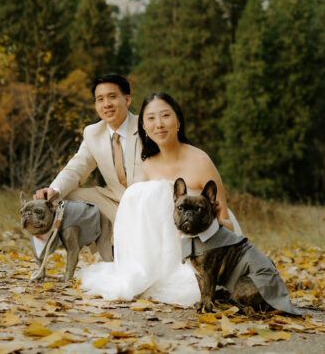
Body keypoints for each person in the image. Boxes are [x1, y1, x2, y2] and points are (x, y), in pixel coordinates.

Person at [77, 92, 240, 306]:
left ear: (178, 122)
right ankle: (145, 269)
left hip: (205, 246)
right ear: (143, 126)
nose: (159, 124)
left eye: (165, 116)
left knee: (155, 191)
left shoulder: (200, 161)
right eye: (151, 118)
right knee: (144, 192)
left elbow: (228, 226)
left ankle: (180, 272)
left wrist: (206, 226)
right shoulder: (149, 164)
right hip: (164, 252)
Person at [34, 74, 145, 257]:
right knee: (63, 198)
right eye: (100, 99)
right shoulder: (93, 133)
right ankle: (104, 247)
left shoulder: (146, 126)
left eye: (112, 97)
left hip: (146, 205)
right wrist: (53, 190)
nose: (106, 104)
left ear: (127, 99)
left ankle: (123, 246)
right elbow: (76, 168)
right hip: (114, 200)